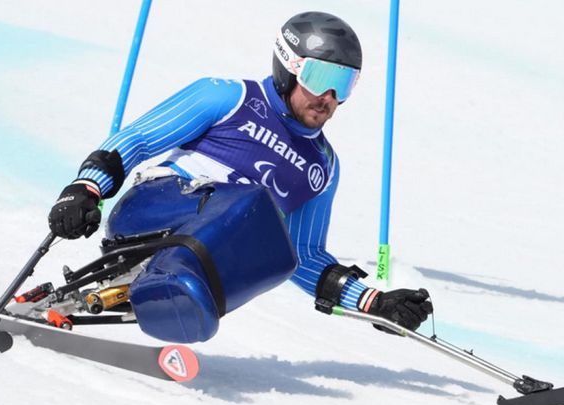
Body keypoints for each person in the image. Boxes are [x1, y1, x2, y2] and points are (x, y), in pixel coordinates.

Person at [47, 11, 433, 338]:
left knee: (277, 251)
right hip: (149, 214)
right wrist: (86, 188)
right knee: (255, 202)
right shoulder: (229, 98)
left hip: (216, 252)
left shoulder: (322, 167)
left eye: (344, 83)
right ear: (288, 66)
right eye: (319, 78)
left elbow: (305, 255)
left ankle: (173, 297)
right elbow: (138, 140)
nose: (328, 97)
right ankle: (173, 284)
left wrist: (373, 302)